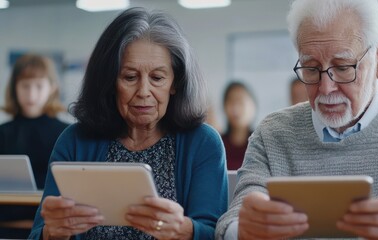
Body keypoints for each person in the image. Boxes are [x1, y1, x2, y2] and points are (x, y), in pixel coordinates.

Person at [216, 0, 378, 239]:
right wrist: (243, 229)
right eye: (311, 68)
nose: (326, 88)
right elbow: (232, 220)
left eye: (342, 67)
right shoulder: (273, 133)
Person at [29, 7, 227, 240]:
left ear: (175, 83)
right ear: (110, 82)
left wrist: (185, 230)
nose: (144, 91)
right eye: (130, 77)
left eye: (157, 78)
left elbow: (217, 234)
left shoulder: (203, 142)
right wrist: (52, 233)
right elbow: (38, 234)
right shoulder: (74, 141)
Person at [0, 54, 69, 239]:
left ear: (52, 88)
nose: (31, 94)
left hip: (51, 226)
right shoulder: (3, 133)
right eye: (25, 86)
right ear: (14, 88)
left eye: (39, 86)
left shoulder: (67, 134)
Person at [221, 81, 257, 170]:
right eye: (231, 101)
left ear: (253, 106)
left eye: (240, 102)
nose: (235, 108)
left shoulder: (260, 143)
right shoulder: (218, 144)